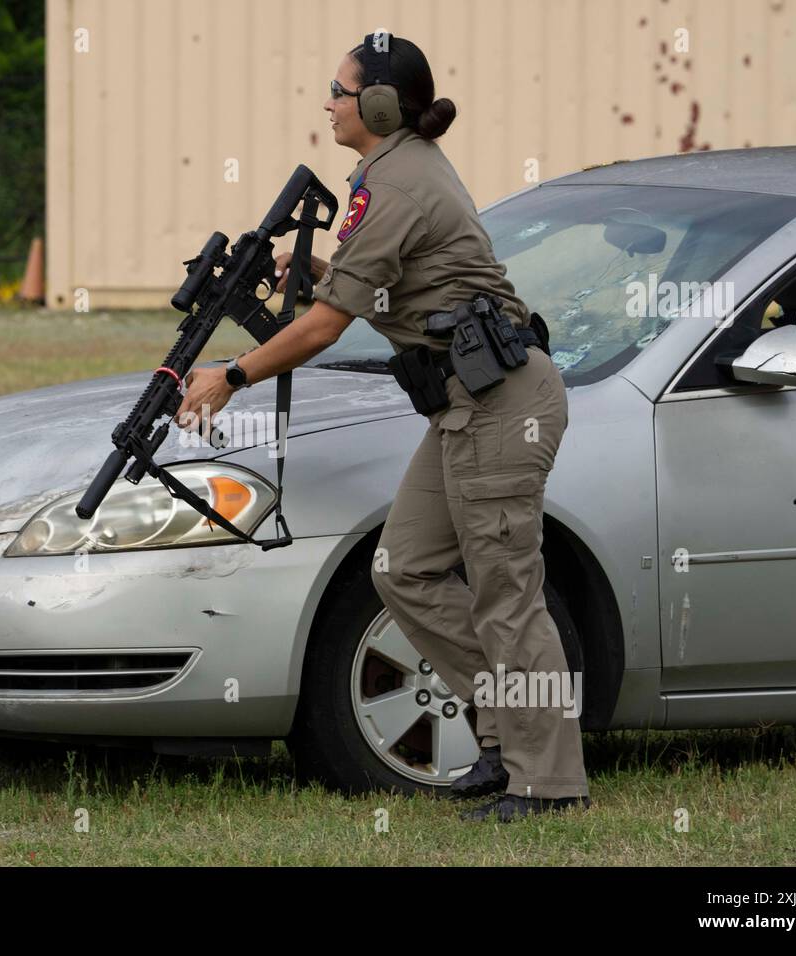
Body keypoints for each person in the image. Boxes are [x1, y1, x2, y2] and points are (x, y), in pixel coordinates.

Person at [178, 31, 589, 822]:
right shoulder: (389, 173)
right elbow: (379, 289)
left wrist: (232, 376)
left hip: (501, 407)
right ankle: (506, 730)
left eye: (337, 90)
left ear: (376, 104)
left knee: (507, 593)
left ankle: (548, 781)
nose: (326, 103)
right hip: (466, 406)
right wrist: (315, 272)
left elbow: (328, 327)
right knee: (404, 569)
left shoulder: (394, 181)